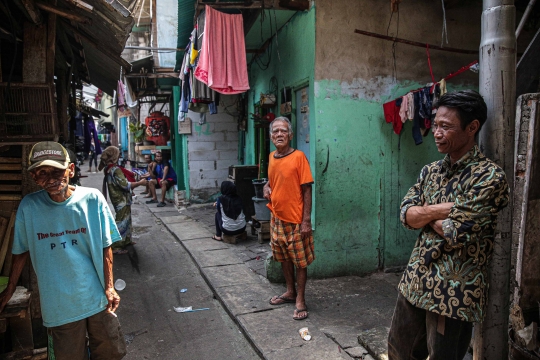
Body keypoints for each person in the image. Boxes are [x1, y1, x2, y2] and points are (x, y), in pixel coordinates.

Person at [387, 90, 510, 359]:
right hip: (415, 281)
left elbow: (456, 231)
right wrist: (444, 209)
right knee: (399, 351)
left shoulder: (489, 178)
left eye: (446, 126)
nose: (436, 132)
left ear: (472, 127)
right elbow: (406, 216)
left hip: (453, 292)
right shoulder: (430, 171)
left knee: (444, 356)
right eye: (435, 124)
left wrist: (425, 215)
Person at [0, 141, 126, 360]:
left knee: (109, 353)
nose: (50, 179)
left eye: (57, 171)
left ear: (71, 170)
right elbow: (21, 250)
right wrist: (10, 289)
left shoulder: (92, 199)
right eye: (42, 173)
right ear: (34, 178)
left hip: (97, 297)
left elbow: (106, 245)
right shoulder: (29, 207)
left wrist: (109, 287)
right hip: (59, 305)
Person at [264, 117, 314, 321]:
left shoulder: (299, 157)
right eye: (275, 131)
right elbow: (272, 180)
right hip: (276, 217)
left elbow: (307, 189)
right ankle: (290, 291)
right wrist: (266, 187)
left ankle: (300, 299)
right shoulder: (271, 156)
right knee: (284, 258)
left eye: (283, 131)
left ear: (290, 135)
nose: (279, 134)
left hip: (296, 220)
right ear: (271, 136)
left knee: (300, 262)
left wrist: (306, 220)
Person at [99, 146, 147, 255]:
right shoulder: (115, 170)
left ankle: (126, 240)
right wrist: (140, 183)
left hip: (117, 198)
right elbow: (125, 185)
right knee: (121, 222)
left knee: (127, 219)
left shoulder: (109, 168)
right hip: (121, 199)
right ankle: (116, 246)